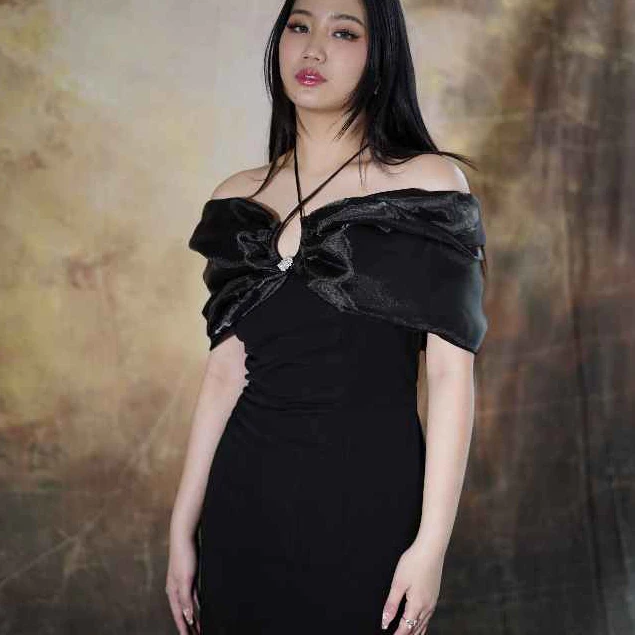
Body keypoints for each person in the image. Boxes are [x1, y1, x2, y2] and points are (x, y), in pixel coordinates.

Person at [166, 0, 488, 633]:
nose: (313, 48)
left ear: (379, 55)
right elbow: (224, 375)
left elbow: (451, 377)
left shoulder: (427, 186)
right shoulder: (236, 199)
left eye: (344, 32)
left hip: (369, 506)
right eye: (299, 25)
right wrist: (182, 526)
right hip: (244, 505)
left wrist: (430, 546)